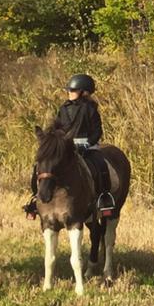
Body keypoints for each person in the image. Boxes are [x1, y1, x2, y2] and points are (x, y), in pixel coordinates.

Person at [24, 74, 113, 218]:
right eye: (69, 91)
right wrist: (56, 141)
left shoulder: (91, 109)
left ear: (84, 92)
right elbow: (57, 127)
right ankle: (35, 198)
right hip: (66, 145)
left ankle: (104, 198)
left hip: (87, 145)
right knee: (39, 166)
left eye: (72, 91)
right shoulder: (64, 108)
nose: (69, 93)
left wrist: (88, 143)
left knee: (100, 165)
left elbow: (98, 131)